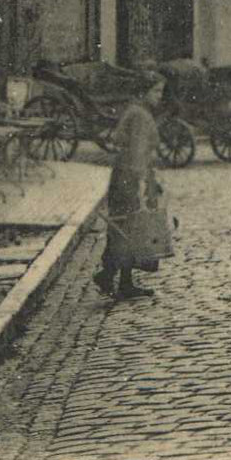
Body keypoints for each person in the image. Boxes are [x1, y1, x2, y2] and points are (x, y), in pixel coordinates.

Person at [95, 76, 173, 301]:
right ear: (143, 92)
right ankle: (109, 275)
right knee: (128, 225)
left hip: (125, 173)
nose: (159, 97)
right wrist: (141, 183)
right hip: (129, 175)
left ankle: (121, 280)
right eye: (156, 92)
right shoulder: (139, 115)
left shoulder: (135, 111)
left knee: (127, 226)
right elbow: (138, 152)